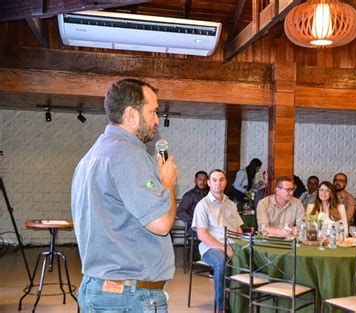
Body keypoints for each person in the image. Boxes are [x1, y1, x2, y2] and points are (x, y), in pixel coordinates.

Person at [71, 78, 178, 312]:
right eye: (153, 112)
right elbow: (161, 224)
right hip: (129, 297)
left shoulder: (91, 157)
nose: (157, 120)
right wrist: (167, 182)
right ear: (131, 114)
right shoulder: (128, 155)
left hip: (97, 288)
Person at [192, 169, 243, 313]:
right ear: (208, 183)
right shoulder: (203, 205)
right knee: (221, 262)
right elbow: (202, 235)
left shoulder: (231, 204)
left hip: (232, 244)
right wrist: (224, 248)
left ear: (226, 182)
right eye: (214, 180)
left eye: (221, 179)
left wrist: (242, 246)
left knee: (252, 258)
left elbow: (238, 231)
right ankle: (221, 307)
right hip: (210, 247)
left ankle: (241, 303)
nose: (218, 183)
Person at [177, 171, 209, 235]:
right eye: (200, 179)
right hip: (194, 227)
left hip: (209, 225)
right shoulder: (190, 195)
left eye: (204, 179)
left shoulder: (210, 194)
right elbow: (179, 212)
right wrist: (193, 221)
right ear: (195, 181)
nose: (202, 182)